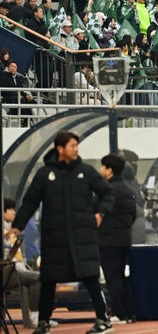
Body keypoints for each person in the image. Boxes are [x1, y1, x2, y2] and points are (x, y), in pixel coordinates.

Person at [9, 131, 114, 334]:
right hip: (54, 238)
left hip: (83, 237)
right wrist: (17, 225)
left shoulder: (86, 172)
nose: (76, 149)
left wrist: (101, 214)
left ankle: (103, 320)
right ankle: (43, 322)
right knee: (48, 280)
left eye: (76, 145)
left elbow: (107, 193)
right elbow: (29, 202)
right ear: (60, 149)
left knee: (91, 278)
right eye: (72, 145)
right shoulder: (44, 174)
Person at [98, 153, 137, 323]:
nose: (100, 170)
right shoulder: (129, 190)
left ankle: (118, 313)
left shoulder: (106, 190)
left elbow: (97, 212)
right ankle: (129, 312)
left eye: (102, 166)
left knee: (112, 277)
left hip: (108, 240)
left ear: (109, 170)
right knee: (121, 276)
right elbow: (133, 215)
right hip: (124, 238)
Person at [2, 198, 41, 329]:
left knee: (37, 275)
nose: (14, 212)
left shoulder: (11, 231)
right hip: (7, 272)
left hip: (16, 268)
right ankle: (36, 317)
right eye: (11, 209)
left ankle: (38, 317)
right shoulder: (4, 233)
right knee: (37, 278)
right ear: (3, 212)